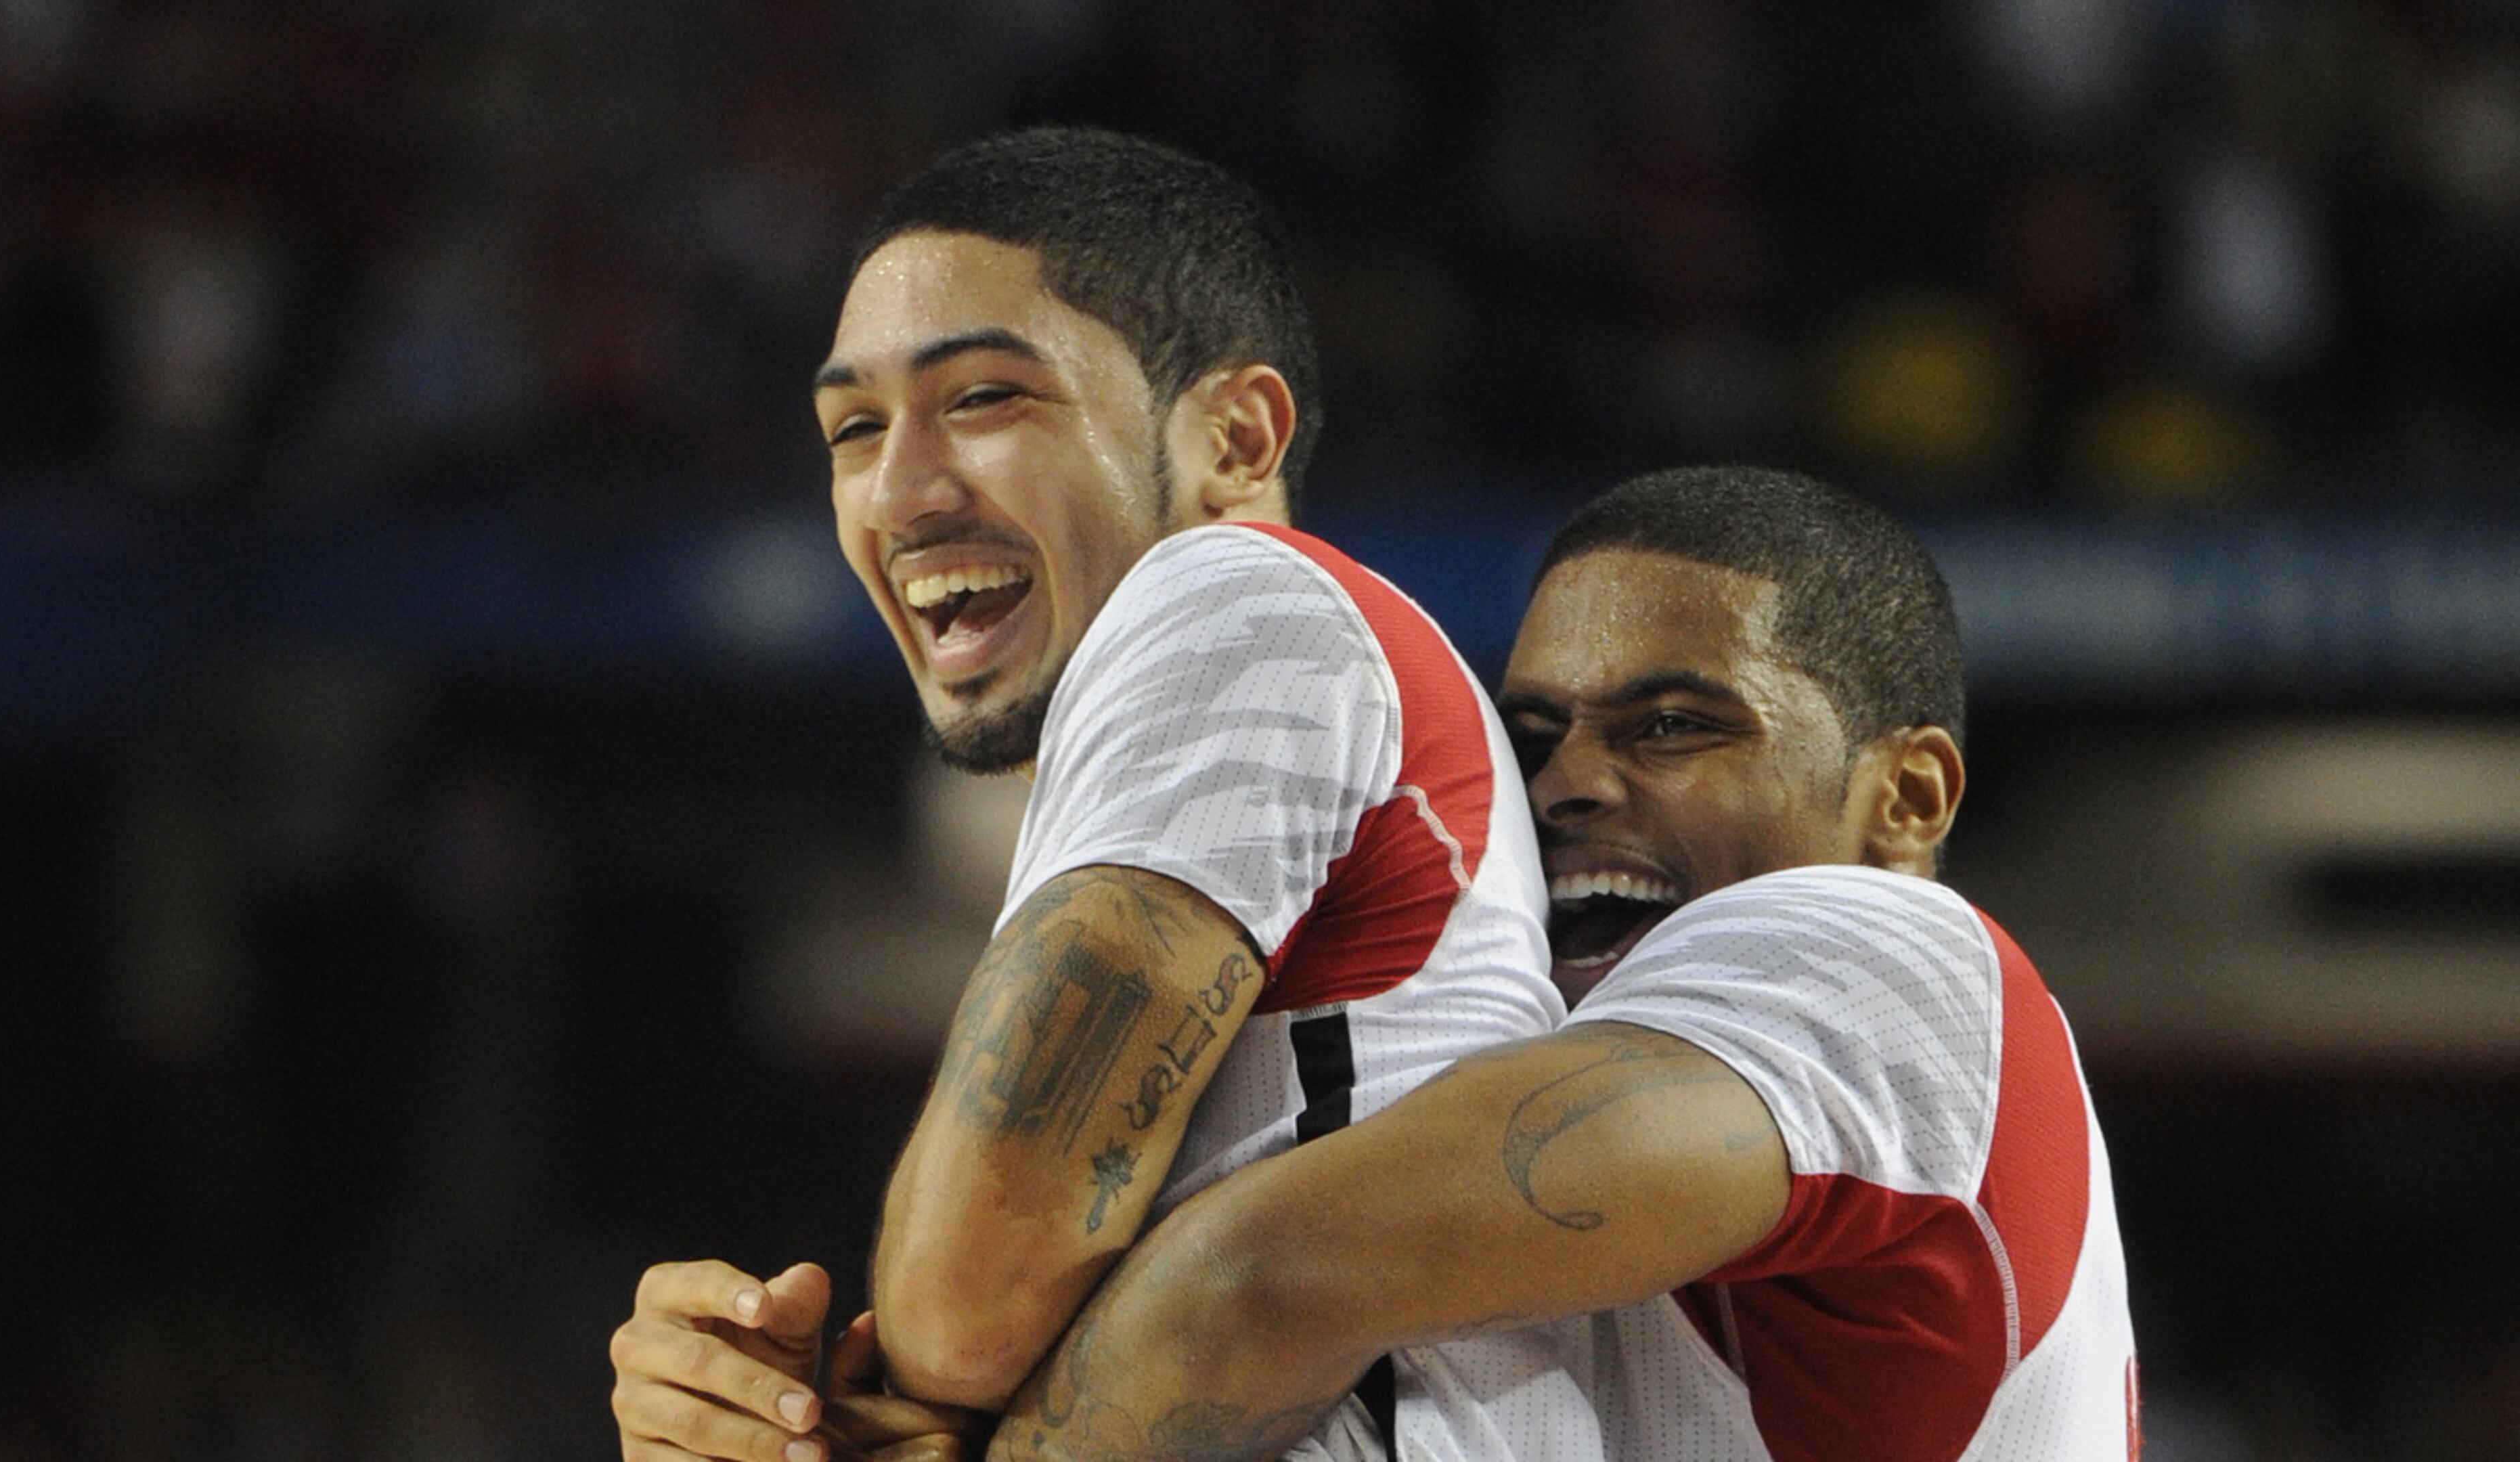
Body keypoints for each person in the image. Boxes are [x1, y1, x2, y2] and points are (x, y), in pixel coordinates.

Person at [611, 126, 1581, 1462]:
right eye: (854, 429)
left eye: (983, 399)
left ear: (1235, 438)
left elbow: (965, 1307)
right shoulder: (1280, 699)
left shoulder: (1235, 599)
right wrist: (777, 1419)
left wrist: (885, 1403)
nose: (899, 491)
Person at [962, 465, 2142, 1460]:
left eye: (1671, 726)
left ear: (1908, 797)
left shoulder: (1891, 959)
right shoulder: (1633, 1154)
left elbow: (1251, 1284)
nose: (1563, 784)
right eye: (1532, 738)